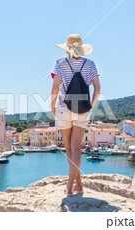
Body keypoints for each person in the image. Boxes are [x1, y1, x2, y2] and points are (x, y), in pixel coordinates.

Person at [51, 34, 101, 196]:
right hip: (83, 108)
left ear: (67, 49)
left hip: (64, 107)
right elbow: (97, 88)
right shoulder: (90, 64)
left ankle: (69, 185)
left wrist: (52, 106)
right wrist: (91, 105)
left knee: (68, 148)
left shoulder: (60, 63)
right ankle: (78, 184)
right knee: (77, 148)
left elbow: (55, 88)